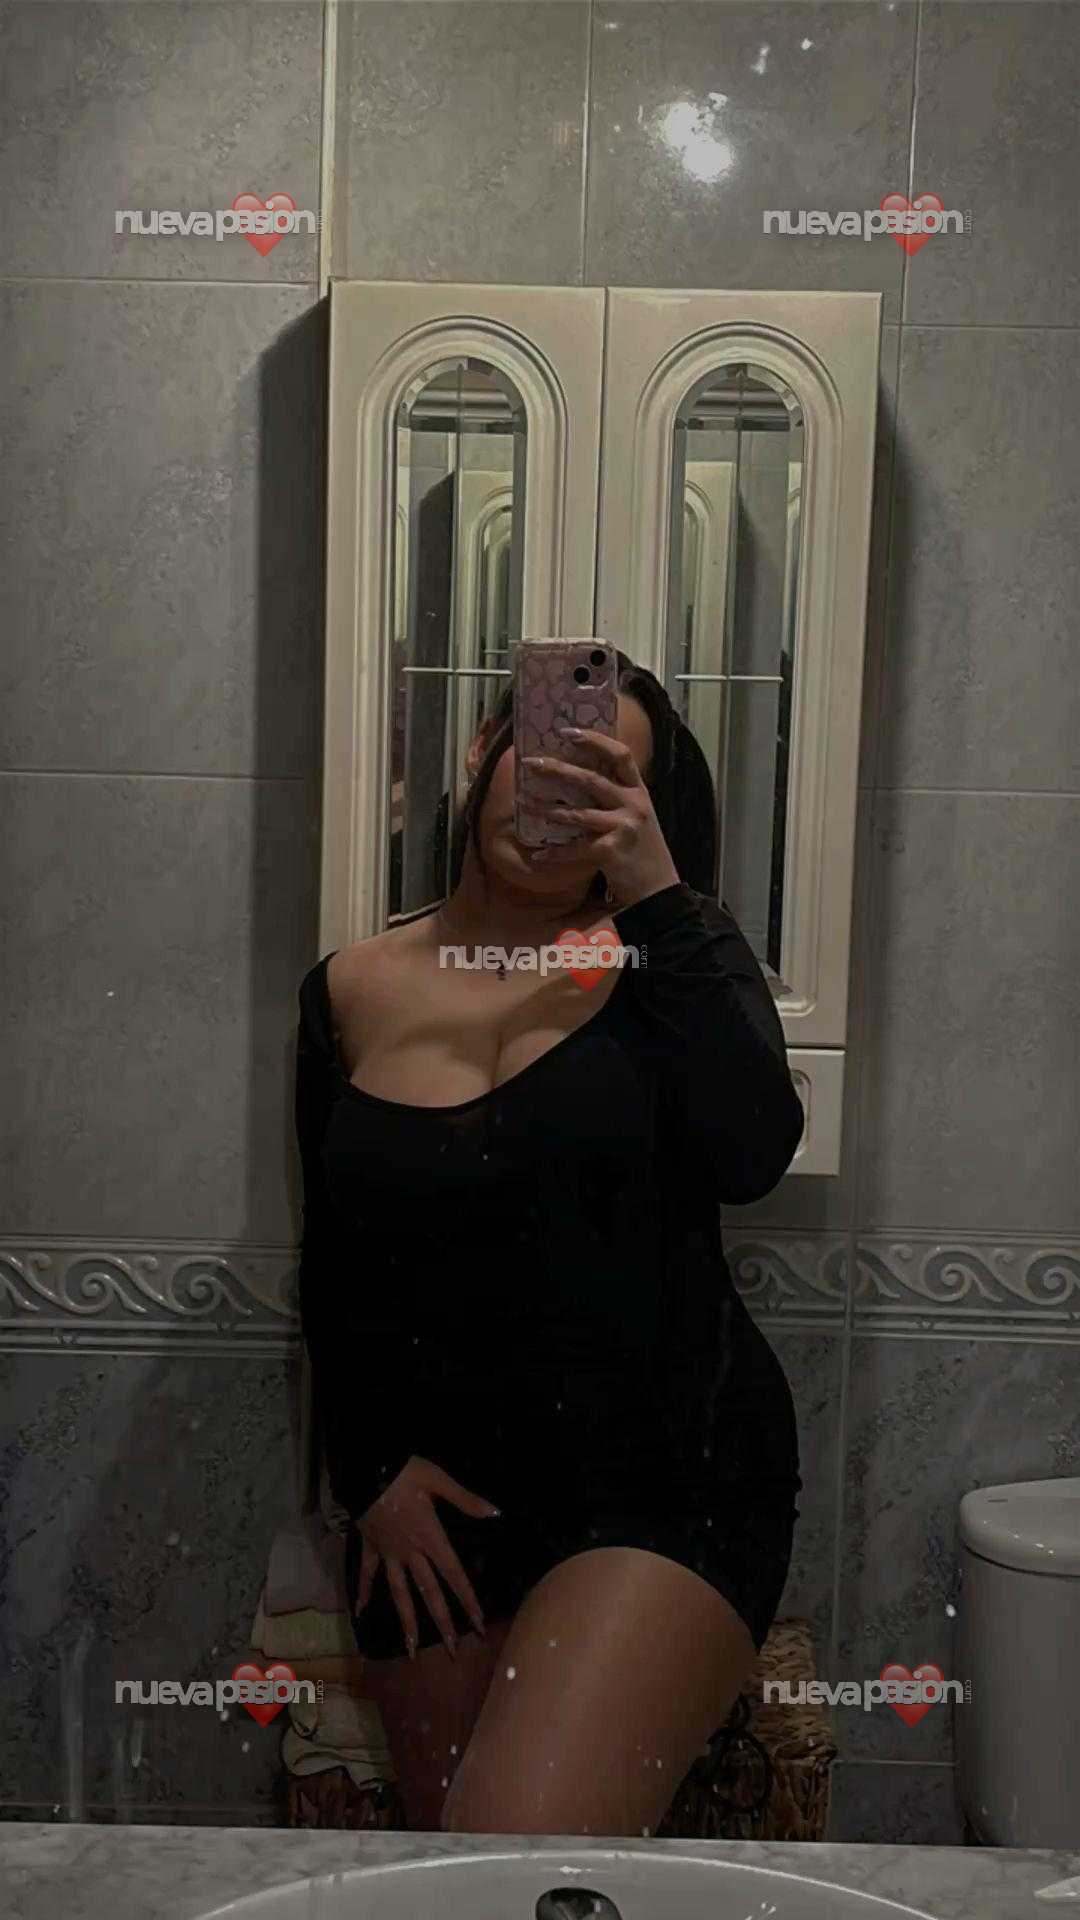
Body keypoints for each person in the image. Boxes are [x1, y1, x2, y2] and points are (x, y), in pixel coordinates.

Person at [293, 650, 805, 1836]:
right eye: (546, 757)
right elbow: (335, 1255)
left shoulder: (670, 957)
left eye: (604, 778)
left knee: (511, 1849)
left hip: (665, 1488)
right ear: (484, 753)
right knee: (461, 1878)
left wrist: (657, 888)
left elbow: (753, 1152)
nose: (561, 798)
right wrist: (370, 1476)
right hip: (437, 1512)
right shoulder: (349, 989)